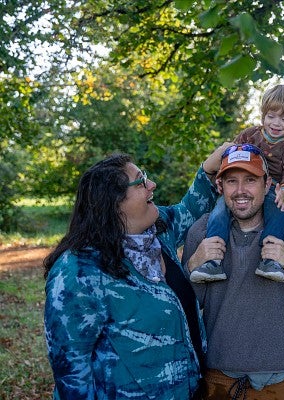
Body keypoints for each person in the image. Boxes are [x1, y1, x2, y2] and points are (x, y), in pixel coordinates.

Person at [43, 145, 230, 400]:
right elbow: (72, 376)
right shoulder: (78, 272)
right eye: (141, 181)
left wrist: (209, 168)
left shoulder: (158, 232)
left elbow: (190, 208)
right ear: (112, 202)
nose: (152, 184)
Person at [182, 144, 284, 400]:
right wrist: (193, 264)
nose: (240, 191)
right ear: (219, 186)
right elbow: (183, 309)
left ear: (268, 183)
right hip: (218, 381)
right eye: (231, 181)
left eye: (250, 180)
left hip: (277, 382)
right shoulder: (201, 232)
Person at [190, 84, 284, 284]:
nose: (276, 123)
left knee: (280, 213)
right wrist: (221, 178)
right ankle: (213, 261)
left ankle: (270, 259)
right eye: (271, 116)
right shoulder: (250, 135)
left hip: (272, 188)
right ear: (263, 115)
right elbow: (229, 157)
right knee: (219, 210)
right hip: (241, 178)